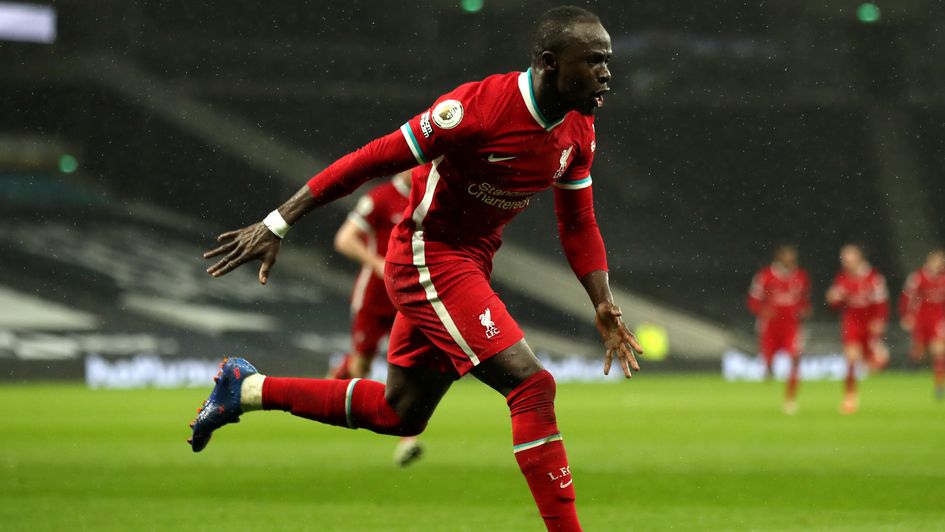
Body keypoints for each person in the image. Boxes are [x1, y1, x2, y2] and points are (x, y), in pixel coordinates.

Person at [191, 6, 642, 530]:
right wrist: (278, 221)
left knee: (398, 412)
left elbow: (578, 224)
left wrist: (602, 302)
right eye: (593, 61)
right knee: (531, 385)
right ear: (548, 63)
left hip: (469, 263)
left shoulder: (579, 129)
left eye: (607, 61)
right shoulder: (475, 109)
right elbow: (372, 159)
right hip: (428, 256)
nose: (607, 73)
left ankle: (245, 388)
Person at [330, 170, 423, 465]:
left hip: (411, 297)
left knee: (410, 367)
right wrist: (379, 264)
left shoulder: (431, 195)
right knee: (361, 367)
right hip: (374, 297)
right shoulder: (380, 198)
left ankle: (407, 439)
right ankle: (336, 379)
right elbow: (344, 239)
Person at [746, 244, 811, 414]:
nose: (790, 259)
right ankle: (768, 367)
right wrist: (763, 310)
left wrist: (805, 309)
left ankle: (790, 400)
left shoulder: (801, 276)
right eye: (786, 256)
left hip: (791, 326)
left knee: (795, 357)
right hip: (770, 326)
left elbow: (804, 300)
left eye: (792, 256)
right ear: (779, 257)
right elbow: (753, 301)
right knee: (768, 361)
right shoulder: (765, 276)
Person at [826, 243, 889, 414]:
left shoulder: (874, 278)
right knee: (851, 359)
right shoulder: (842, 278)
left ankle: (879, 394)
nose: (846, 262)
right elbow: (834, 305)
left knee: (876, 365)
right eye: (844, 259)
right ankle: (850, 398)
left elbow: (881, 302)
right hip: (851, 323)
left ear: (859, 258)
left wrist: (879, 320)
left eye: (849, 258)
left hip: (869, 324)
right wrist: (832, 299)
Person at [899, 248, 945, 400]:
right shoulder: (918, 277)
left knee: (939, 351)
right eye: (937, 261)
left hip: (937, 319)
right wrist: (906, 315)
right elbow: (907, 296)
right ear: (929, 261)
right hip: (920, 319)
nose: (939, 264)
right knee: (920, 353)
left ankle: (939, 386)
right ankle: (910, 366)